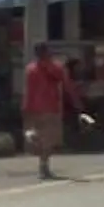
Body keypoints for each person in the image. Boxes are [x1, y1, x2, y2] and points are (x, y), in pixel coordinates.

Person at [23, 42, 89, 180]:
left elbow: (28, 91)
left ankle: (41, 160)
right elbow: (67, 85)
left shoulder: (30, 69)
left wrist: (25, 107)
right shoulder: (56, 67)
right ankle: (44, 165)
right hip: (50, 107)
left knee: (38, 136)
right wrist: (77, 102)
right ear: (47, 52)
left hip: (33, 108)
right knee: (50, 138)